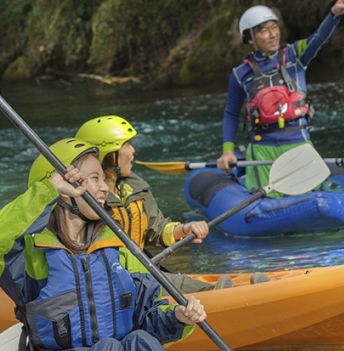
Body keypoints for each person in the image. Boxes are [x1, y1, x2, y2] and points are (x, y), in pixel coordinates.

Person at [0, 138, 218, 351]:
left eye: (103, 178)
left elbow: (146, 314)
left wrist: (178, 317)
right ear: (66, 187)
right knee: (108, 347)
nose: (105, 188)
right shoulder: (31, 255)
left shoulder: (116, 247)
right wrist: (47, 191)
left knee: (137, 340)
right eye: (94, 179)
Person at [218, 0, 344, 194]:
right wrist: (227, 151)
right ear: (250, 38)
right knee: (265, 201)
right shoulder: (240, 74)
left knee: (310, 197)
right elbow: (231, 113)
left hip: (298, 144)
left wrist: (334, 14)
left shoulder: (296, 56)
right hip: (261, 148)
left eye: (274, 27)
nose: (273, 34)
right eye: (264, 30)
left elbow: (318, 39)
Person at [75, 115, 238, 291]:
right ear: (109, 154)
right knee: (187, 288)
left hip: (142, 273)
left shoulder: (133, 187)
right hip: (114, 282)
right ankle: (222, 295)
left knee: (176, 281)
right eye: (127, 144)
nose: (133, 151)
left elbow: (156, 229)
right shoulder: (84, 201)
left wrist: (185, 229)